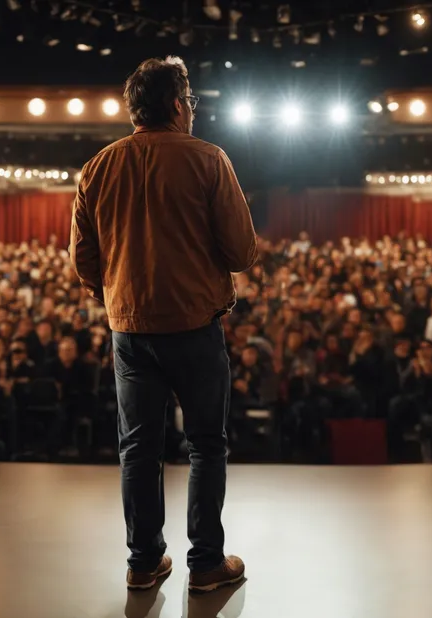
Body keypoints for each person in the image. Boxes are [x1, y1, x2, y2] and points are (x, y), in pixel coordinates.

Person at [69, 56, 256, 592]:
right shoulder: (208, 159)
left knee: (138, 448)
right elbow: (242, 252)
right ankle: (206, 564)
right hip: (195, 327)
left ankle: (143, 561)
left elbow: (83, 261)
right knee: (206, 444)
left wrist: (119, 296)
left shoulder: (97, 167)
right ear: (177, 105)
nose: (192, 109)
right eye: (190, 101)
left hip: (129, 331)